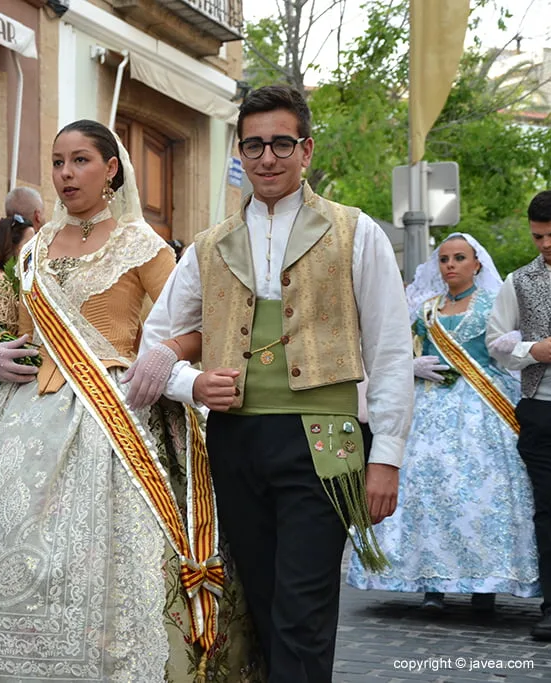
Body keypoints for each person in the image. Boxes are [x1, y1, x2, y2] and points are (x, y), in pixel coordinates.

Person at [0, 120, 262, 682]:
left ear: (111, 169)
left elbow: (202, 322)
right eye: (59, 162)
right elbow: (23, 329)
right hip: (23, 418)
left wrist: (164, 355)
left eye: (81, 160)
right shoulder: (34, 248)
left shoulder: (142, 245)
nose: (66, 174)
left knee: (103, 563)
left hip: (118, 412)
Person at [136, 85, 414, 681]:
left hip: (327, 440)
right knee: (261, 607)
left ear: (306, 150)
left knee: (301, 613)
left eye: (281, 143)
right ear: (240, 152)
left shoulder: (356, 232)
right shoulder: (208, 247)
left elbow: (391, 350)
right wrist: (191, 384)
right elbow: (154, 340)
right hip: (235, 444)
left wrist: (386, 456)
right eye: (255, 145)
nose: (267, 157)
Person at [348, 233, 539, 611]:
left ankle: (484, 587)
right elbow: (395, 350)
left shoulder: (493, 305)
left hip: (483, 407)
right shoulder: (426, 309)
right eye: (445, 259)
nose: (450, 265)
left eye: (460, 258)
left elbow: (504, 352)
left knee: (485, 488)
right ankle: (430, 582)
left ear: (477, 264)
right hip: (430, 406)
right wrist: (412, 367)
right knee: (423, 485)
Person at [487, 190, 551, 640]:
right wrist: (534, 350)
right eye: (537, 237)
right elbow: (495, 343)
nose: (545, 245)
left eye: (550, 236)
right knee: (547, 511)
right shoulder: (518, 281)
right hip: (542, 411)